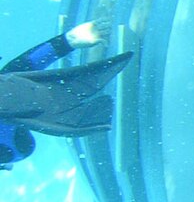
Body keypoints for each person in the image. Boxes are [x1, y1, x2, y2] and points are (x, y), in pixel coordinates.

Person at [0, 20, 132, 170]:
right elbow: (19, 72)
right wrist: (66, 42)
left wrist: (68, 41)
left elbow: (18, 73)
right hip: (17, 137)